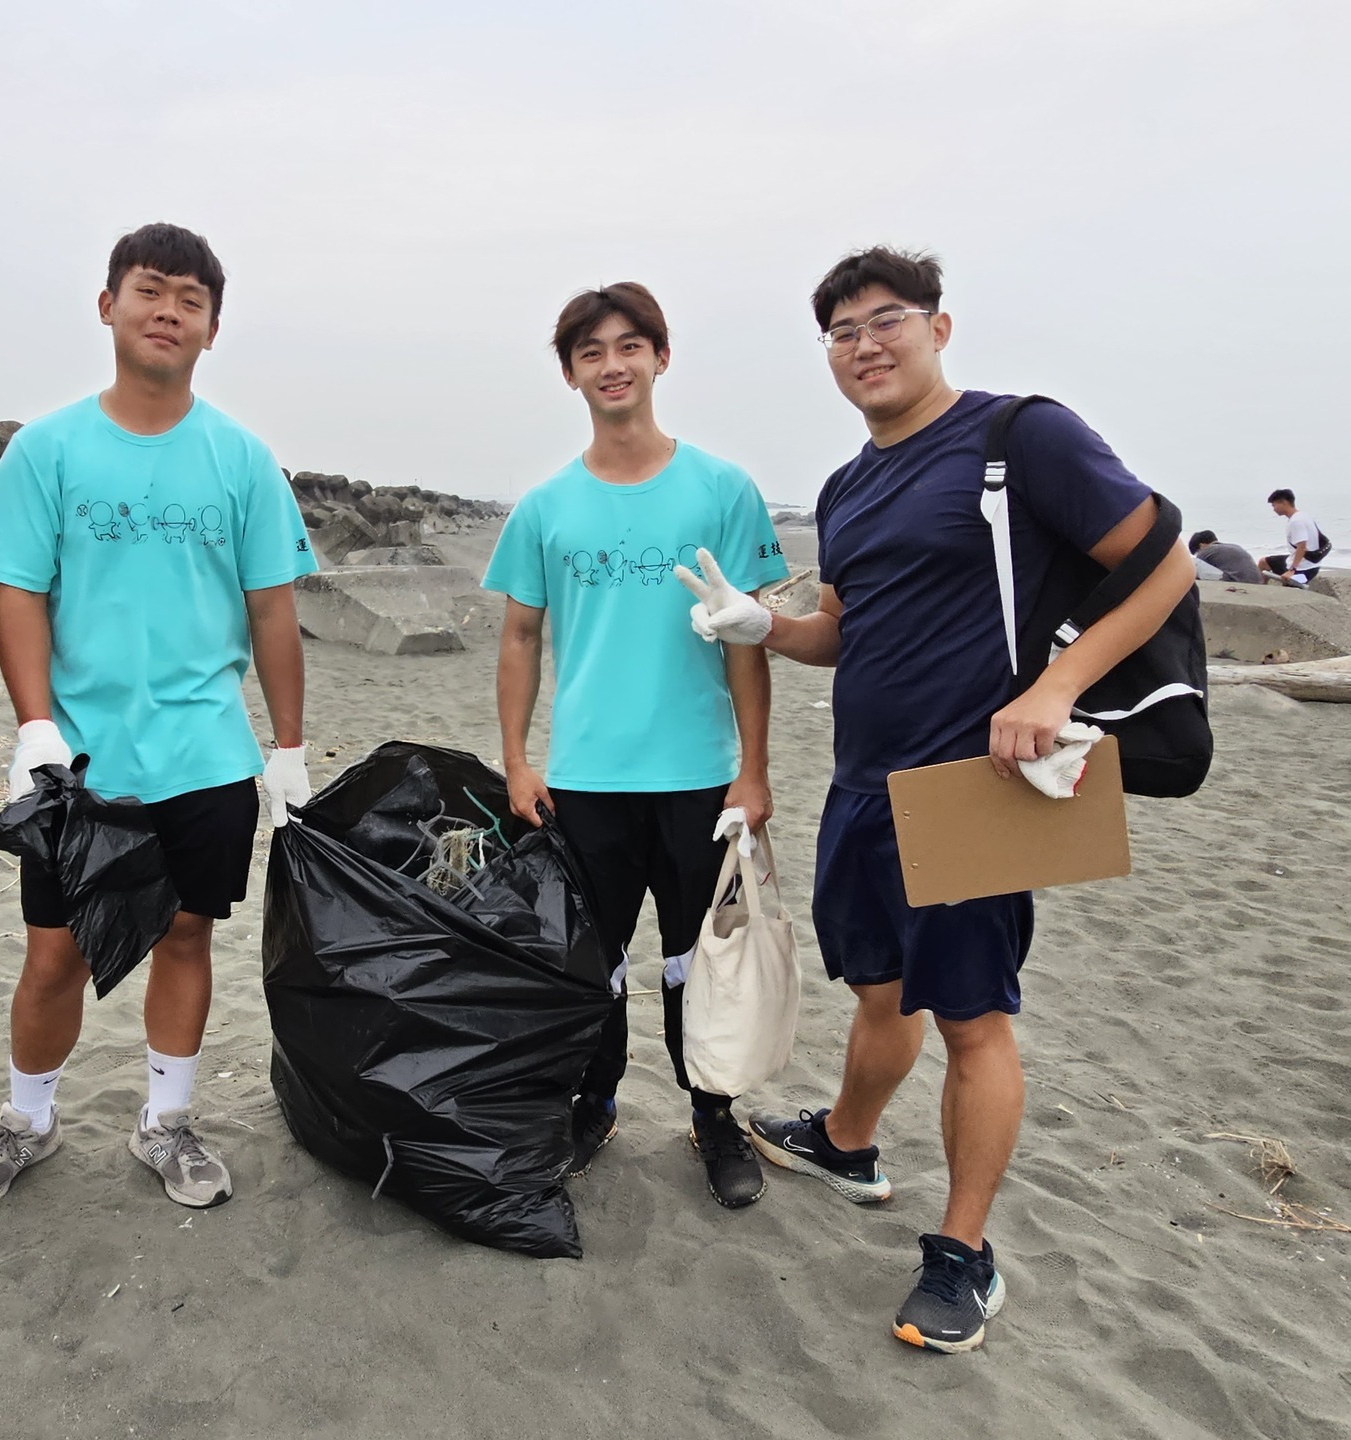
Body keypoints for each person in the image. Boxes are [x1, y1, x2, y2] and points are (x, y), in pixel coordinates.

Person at [691, 247, 1193, 1352]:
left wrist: (1057, 685)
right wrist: (759, 626)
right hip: (864, 787)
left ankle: (967, 1255)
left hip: (977, 784)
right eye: (842, 331)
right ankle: (849, 1143)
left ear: (940, 328)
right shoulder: (848, 485)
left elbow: (1165, 562)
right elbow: (843, 629)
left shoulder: (1021, 436)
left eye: (889, 320)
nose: (866, 344)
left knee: (972, 1019)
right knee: (880, 991)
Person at [0, 223, 316, 1215]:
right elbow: (18, 591)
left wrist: (287, 747)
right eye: (150, 291)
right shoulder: (51, 450)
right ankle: (27, 1119)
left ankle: (167, 1122)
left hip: (203, 754)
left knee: (186, 937)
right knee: (54, 950)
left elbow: (274, 606)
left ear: (212, 328)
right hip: (83, 760)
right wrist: (33, 729)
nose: (168, 312)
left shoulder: (240, 458)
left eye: (190, 300)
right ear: (108, 304)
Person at [481, 282, 786, 1209]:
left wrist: (755, 768)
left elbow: (748, 635)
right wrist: (518, 759)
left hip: (698, 776)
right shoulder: (546, 506)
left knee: (703, 959)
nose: (612, 365)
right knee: (595, 956)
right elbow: (522, 637)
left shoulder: (721, 490)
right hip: (586, 778)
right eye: (590, 352)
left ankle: (714, 1115)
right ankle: (594, 1097)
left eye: (630, 346)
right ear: (571, 372)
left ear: (660, 356)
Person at [1258, 490, 1328, 586]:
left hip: (1304, 569)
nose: (1274, 509)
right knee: (1263, 562)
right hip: (1308, 564)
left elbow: (1302, 546)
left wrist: (1292, 570)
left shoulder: (1296, 521)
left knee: (1287, 586)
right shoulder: (1303, 516)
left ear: (1284, 502)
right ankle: (1262, 588)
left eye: (1274, 505)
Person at [1188, 530, 1260, 584]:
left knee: (1193, 562)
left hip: (1236, 580)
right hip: (1256, 581)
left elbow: (1196, 571)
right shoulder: (1233, 546)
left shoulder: (1206, 550)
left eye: (1197, 551)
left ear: (1201, 545)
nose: (1198, 553)